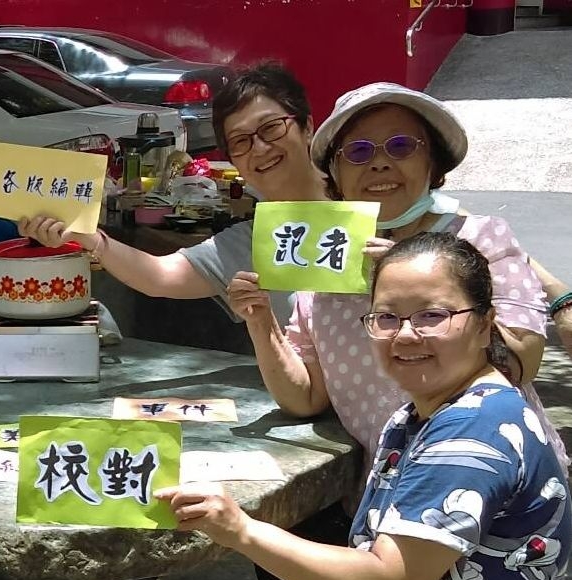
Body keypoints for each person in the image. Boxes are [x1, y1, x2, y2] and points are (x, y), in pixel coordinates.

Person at [160, 232, 571, 580]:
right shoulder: (420, 413)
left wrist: (240, 529)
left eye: (432, 315)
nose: (405, 335)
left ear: (484, 325)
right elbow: (370, 556)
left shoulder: (471, 432)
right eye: (387, 317)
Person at [225, 82, 566, 468]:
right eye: (358, 151)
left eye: (401, 146)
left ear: (432, 162)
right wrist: (261, 322)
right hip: (394, 488)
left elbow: (523, 361)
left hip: (499, 479)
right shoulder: (324, 263)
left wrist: (410, 280)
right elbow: (305, 397)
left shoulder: (482, 239)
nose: (379, 163)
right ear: (335, 172)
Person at [20, 61, 327, 324]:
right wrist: (88, 237)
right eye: (240, 141)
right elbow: (160, 276)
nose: (259, 148)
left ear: (308, 127)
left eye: (271, 128)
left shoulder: (355, 199)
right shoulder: (250, 241)